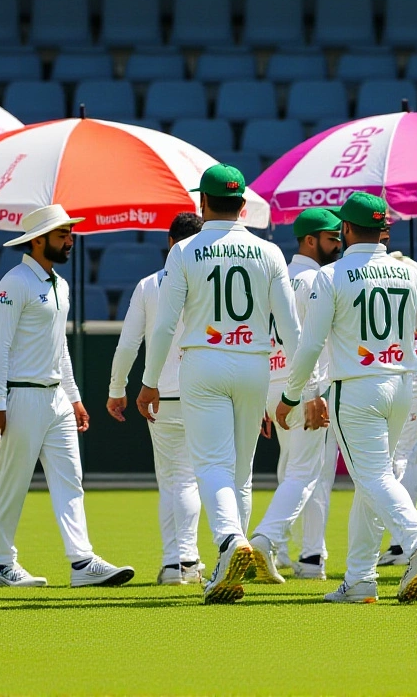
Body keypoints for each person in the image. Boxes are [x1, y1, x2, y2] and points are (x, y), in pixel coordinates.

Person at [275, 192, 417, 604]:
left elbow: (310, 345)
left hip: (356, 388)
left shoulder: (331, 275)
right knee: (372, 480)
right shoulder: (410, 273)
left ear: (346, 228)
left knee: (373, 478)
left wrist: (291, 394)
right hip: (401, 387)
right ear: (383, 230)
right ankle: (360, 578)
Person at [136, 164, 299, 604]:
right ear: (243, 205)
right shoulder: (269, 251)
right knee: (241, 473)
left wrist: (149, 381)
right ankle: (232, 565)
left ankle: (230, 541)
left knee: (210, 465)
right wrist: (301, 388)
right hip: (255, 364)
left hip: (203, 362)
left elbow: (165, 325)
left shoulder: (184, 251)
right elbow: (292, 330)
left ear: (202, 203)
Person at [0, 205, 133, 588]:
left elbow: (59, 346)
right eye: (62, 234)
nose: (70, 241)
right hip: (20, 398)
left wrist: (74, 397)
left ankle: (82, 561)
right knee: (11, 484)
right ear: (38, 240)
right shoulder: (14, 282)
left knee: (71, 480)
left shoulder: (59, 285)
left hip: (56, 401)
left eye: (70, 234)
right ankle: (1, 563)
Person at [107, 212, 205, 586]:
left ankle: (175, 562)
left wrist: (117, 389)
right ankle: (187, 561)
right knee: (196, 480)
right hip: (207, 391)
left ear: (169, 241)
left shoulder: (149, 284)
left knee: (174, 480)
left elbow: (127, 344)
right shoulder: (209, 279)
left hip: (161, 393)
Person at [251, 208, 342, 581]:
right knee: (310, 473)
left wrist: (262, 398)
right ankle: (285, 546)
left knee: (291, 469)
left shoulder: (273, 278)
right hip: (305, 386)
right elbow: (311, 343)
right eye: (331, 239)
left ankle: (289, 552)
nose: (338, 245)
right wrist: (313, 391)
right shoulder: (316, 279)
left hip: (271, 383)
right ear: (309, 240)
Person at [378, 225, 417, 568]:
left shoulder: (370, 276)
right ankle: (403, 539)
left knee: (397, 460)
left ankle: (404, 540)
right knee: (406, 458)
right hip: (408, 373)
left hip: (386, 373)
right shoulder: (411, 274)